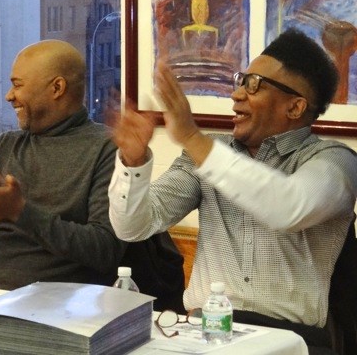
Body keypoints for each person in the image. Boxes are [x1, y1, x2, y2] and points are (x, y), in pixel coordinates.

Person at [108, 28, 357, 352]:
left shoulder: (336, 162)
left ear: (295, 107)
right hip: (204, 332)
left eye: (253, 85)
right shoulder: (207, 156)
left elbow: (288, 206)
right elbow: (132, 226)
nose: (237, 95)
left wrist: (192, 137)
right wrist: (134, 159)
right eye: (241, 81)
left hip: (290, 343)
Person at [0, 40, 126, 290]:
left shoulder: (107, 149)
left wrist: (20, 211)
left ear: (57, 88)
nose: (9, 96)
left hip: (65, 310)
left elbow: (104, 250)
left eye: (17, 85)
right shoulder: (4, 146)